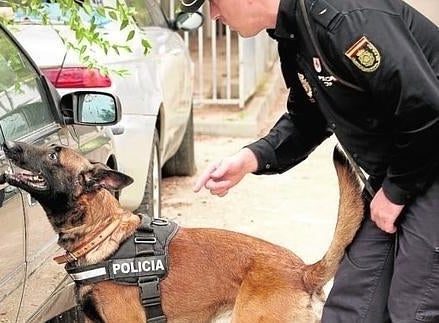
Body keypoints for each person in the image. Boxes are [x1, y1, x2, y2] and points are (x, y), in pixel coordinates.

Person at [180, 0, 439, 321]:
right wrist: (251, 158)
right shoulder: (294, 33)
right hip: (402, 168)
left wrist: (395, 191)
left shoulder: (346, 19)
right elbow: (308, 116)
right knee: (353, 306)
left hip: (425, 163)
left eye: (214, 3)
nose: (214, 16)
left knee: (416, 307)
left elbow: (427, 108)